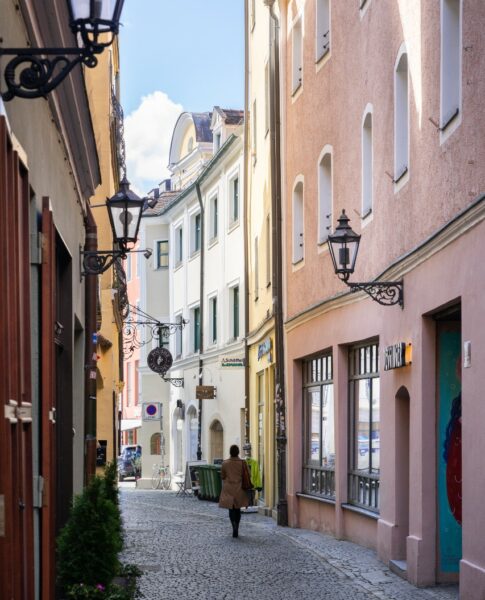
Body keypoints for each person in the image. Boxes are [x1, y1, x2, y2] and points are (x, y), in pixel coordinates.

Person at [219, 444, 249, 538]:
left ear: (230, 452)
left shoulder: (225, 463)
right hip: (239, 487)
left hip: (228, 488)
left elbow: (223, 476)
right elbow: (248, 474)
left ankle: (233, 527)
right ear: (238, 452)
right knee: (238, 509)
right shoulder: (242, 463)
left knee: (231, 509)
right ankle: (237, 527)